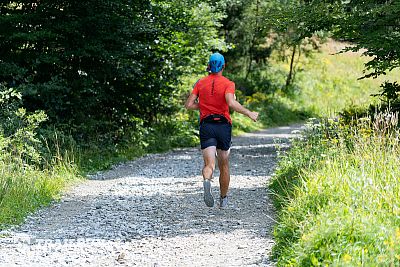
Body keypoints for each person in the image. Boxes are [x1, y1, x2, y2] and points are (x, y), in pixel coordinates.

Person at [184, 52, 259, 208]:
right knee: (224, 163)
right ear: (224, 66)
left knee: (209, 164)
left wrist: (204, 105)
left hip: (207, 125)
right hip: (223, 126)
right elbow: (231, 103)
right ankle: (223, 199)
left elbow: (189, 105)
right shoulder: (228, 83)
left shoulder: (200, 83)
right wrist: (249, 113)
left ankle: (206, 181)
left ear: (209, 66)